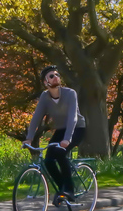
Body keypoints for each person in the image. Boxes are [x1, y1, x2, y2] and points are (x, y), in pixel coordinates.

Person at [23, 65, 86, 203]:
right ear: (46, 83)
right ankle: (62, 190)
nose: (56, 77)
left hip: (77, 128)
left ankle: (69, 190)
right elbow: (36, 118)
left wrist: (67, 139)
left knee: (60, 152)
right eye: (51, 76)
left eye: (57, 74)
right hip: (61, 129)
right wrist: (29, 138)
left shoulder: (70, 93)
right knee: (48, 161)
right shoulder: (45, 97)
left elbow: (72, 117)